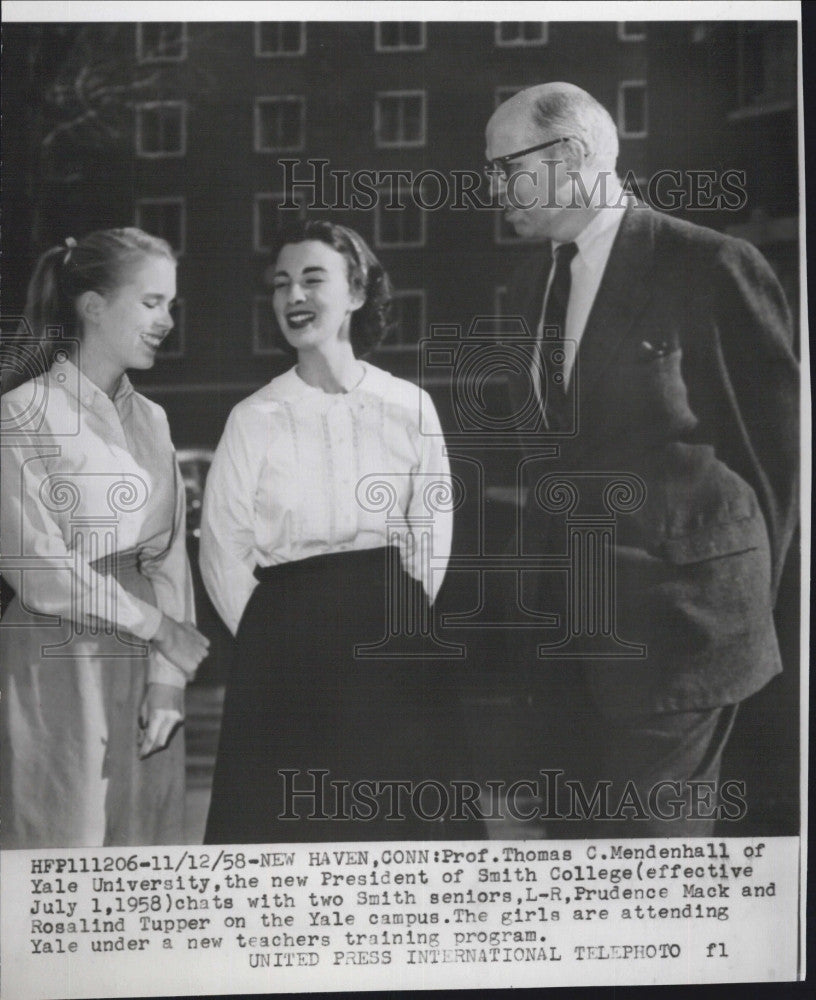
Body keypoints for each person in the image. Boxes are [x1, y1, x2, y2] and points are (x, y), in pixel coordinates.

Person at [482, 83, 798, 837]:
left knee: (651, 871)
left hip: (683, 643)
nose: (493, 190)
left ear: (570, 157)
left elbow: (778, 463)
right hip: (568, 653)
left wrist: (742, 613)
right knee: (577, 877)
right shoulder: (530, 285)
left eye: (504, 168)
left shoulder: (711, 264)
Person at [199, 221, 463, 843]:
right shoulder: (252, 418)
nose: (294, 295)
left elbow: (432, 529)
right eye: (281, 283)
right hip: (284, 644)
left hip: (392, 634)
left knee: (401, 831)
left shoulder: (410, 405)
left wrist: (399, 614)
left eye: (312, 279)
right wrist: (274, 635)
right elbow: (222, 547)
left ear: (357, 290)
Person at [0, 228, 210, 848]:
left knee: (145, 851)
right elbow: (38, 567)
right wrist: (158, 628)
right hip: (57, 656)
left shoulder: (152, 419)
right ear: (92, 305)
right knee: (61, 846)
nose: (166, 320)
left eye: (171, 304)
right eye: (151, 303)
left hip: (142, 664)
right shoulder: (21, 414)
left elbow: (169, 555)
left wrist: (169, 680)